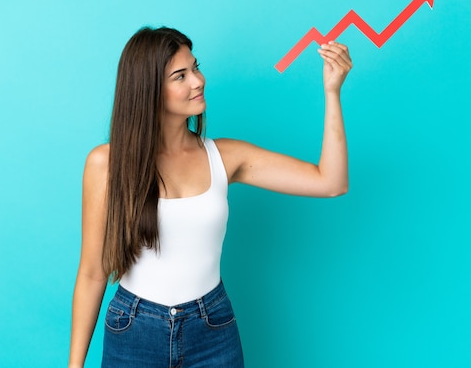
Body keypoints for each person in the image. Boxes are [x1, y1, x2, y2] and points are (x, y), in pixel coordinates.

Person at [68, 26, 352, 368]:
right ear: (148, 90)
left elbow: (330, 182)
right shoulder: (106, 164)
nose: (198, 81)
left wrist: (332, 92)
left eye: (196, 67)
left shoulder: (227, 157)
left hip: (212, 328)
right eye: (180, 75)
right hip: (134, 330)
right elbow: (92, 273)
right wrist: (75, 365)